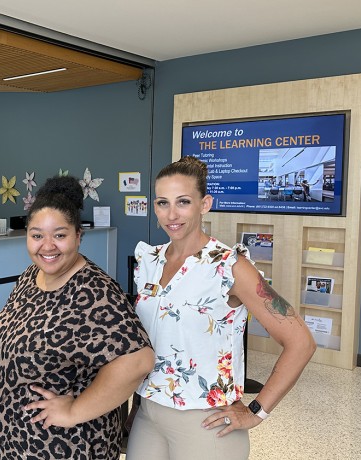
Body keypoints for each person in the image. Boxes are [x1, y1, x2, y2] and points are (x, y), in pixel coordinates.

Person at [127, 157, 316, 459]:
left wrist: (256, 411)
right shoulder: (149, 261)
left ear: (205, 204)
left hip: (206, 423)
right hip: (149, 415)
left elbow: (301, 342)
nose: (171, 214)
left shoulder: (230, 267)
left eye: (183, 202)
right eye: (163, 203)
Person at [0, 176, 154, 459]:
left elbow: (139, 360)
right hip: (15, 440)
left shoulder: (94, 290)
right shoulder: (32, 276)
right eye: (37, 235)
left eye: (60, 235)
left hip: (66, 445)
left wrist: (75, 410)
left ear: (78, 236)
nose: (47, 246)